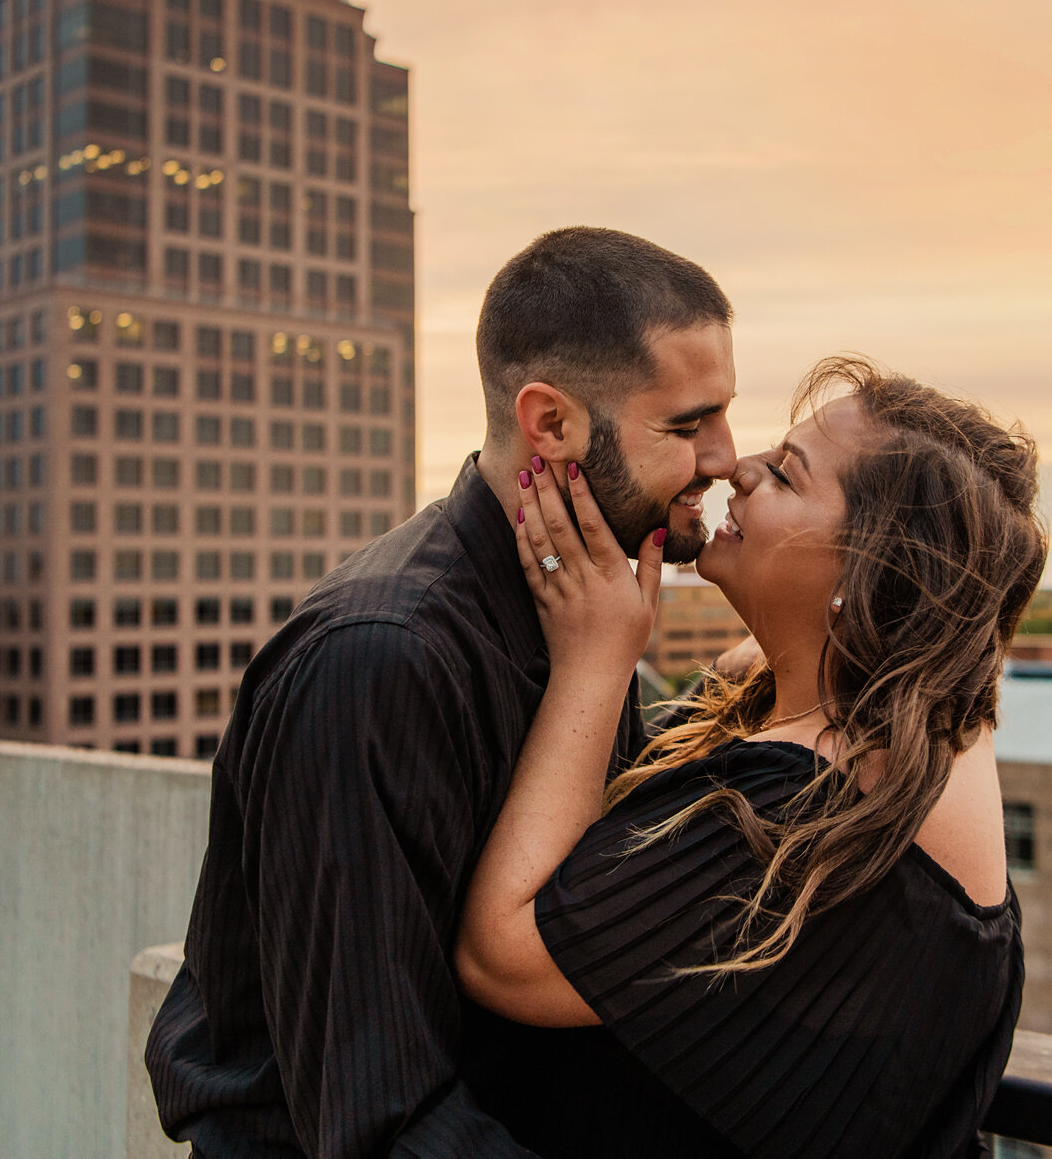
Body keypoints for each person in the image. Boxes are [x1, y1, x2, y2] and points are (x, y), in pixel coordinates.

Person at [146, 226, 738, 1156]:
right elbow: (380, 1116)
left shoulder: (587, 613)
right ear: (550, 423)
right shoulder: (380, 660)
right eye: (687, 425)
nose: (727, 458)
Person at [455, 356, 1047, 1159]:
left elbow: (502, 959)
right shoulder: (920, 724)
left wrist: (595, 660)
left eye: (789, 476)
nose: (739, 467)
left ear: (866, 567)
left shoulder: (809, 804)